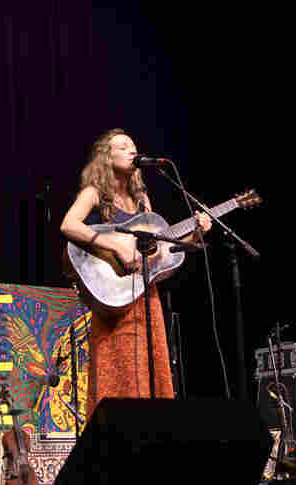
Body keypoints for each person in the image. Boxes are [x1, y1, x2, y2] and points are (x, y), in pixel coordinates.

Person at [60, 128, 211, 419]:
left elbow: (162, 252)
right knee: (119, 372)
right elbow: (68, 225)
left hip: (145, 297)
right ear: (107, 157)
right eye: (124, 147)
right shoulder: (95, 194)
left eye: (133, 146)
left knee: (151, 370)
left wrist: (195, 234)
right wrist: (114, 245)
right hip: (114, 301)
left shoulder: (143, 201)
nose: (132, 151)